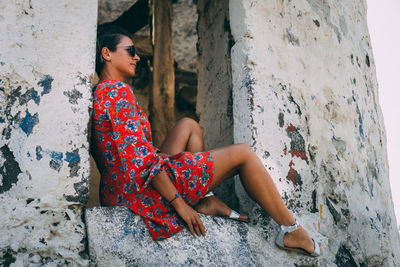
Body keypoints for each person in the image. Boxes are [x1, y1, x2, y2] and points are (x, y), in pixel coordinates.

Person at [91, 25, 320, 257]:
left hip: (119, 190)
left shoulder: (100, 93)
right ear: (107, 54)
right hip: (140, 191)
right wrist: (179, 203)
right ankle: (291, 229)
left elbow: (123, 157)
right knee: (243, 154)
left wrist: (160, 157)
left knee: (188, 125)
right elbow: (141, 162)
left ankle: (205, 199)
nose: (137, 57)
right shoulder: (117, 92)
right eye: (130, 51)